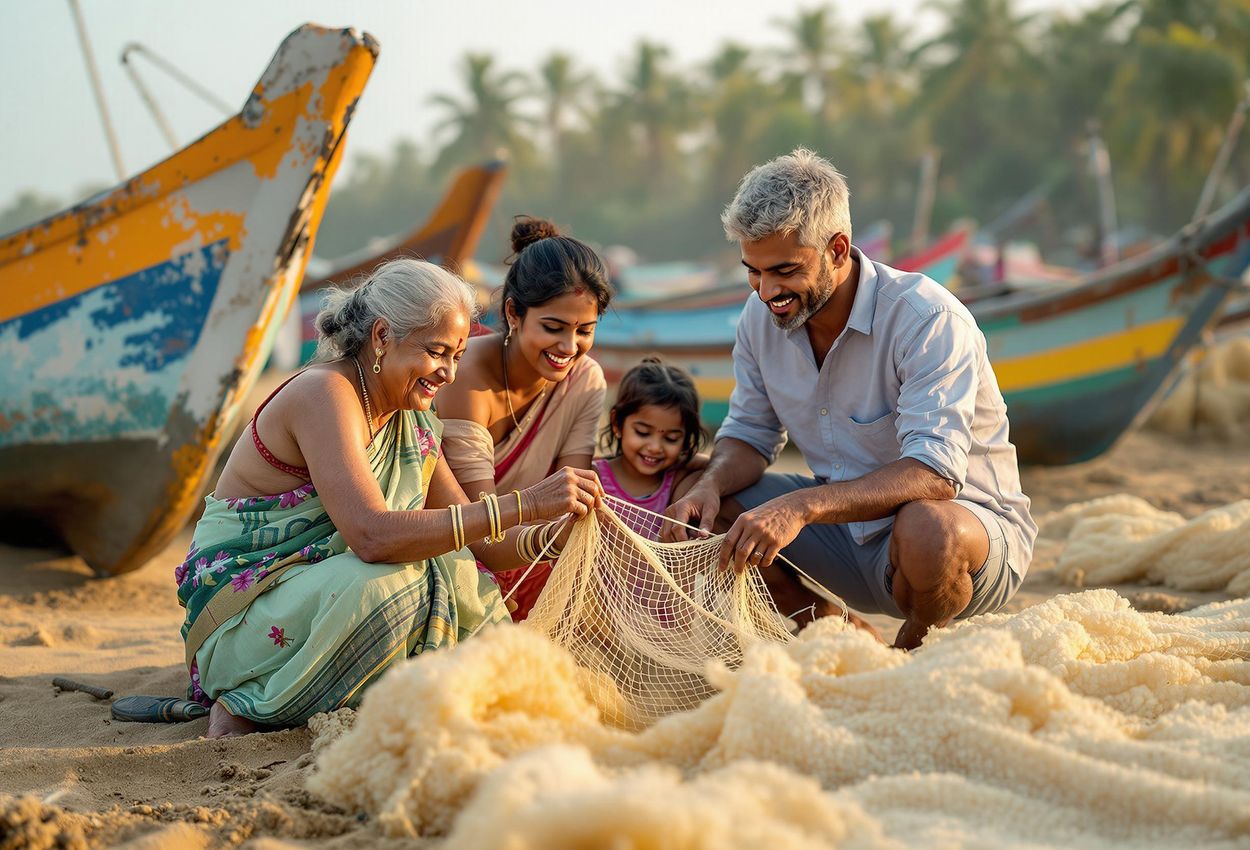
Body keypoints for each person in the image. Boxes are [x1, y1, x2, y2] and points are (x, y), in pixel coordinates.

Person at [176, 259, 602, 738]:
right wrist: (524, 504)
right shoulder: (325, 393)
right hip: (243, 616)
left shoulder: (409, 417)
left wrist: (551, 535)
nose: (448, 372)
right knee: (390, 585)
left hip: (322, 597)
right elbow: (371, 536)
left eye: (458, 356)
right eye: (437, 352)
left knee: (459, 575)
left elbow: (479, 541)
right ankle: (248, 704)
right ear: (381, 337)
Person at [663, 149, 1037, 650]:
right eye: (753, 271)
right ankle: (832, 628)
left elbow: (934, 472)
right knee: (699, 499)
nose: (767, 290)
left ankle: (913, 651)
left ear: (838, 249)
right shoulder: (759, 319)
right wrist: (707, 487)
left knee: (927, 526)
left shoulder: (925, 318)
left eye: (785, 270)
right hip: (848, 540)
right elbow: (749, 436)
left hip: (964, 541)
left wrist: (800, 507)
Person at [439, 217, 613, 620]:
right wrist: (548, 540)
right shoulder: (466, 377)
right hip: (461, 547)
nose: (569, 347)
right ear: (514, 313)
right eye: (553, 327)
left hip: (532, 548)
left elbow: (571, 499)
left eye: (585, 330)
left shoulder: (585, 380)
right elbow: (483, 526)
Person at [594, 357, 708, 540]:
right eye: (642, 433)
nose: (655, 448)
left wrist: (682, 459)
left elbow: (713, 466)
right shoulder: (596, 478)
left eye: (671, 439)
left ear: (685, 438)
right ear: (617, 423)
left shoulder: (676, 481)